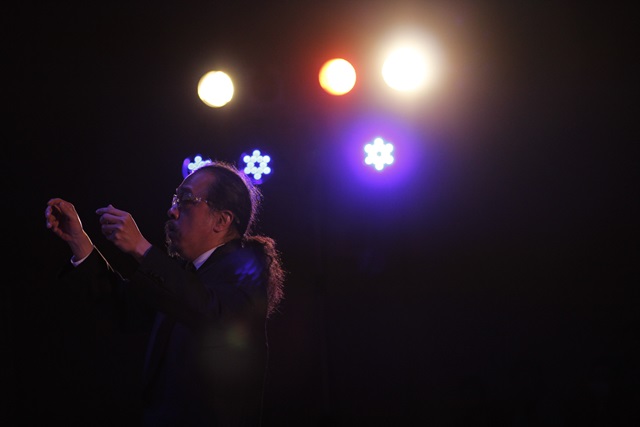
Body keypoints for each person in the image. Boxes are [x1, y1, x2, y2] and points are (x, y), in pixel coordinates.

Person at [44, 161, 285, 426]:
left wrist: (141, 248)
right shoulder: (184, 275)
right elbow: (123, 307)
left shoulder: (247, 268)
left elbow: (210, 313)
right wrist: (78, 240)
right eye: (175, 199)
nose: (172, 210)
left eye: (186, 200)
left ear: (221, 220)